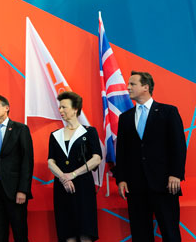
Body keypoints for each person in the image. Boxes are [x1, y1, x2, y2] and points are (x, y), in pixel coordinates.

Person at [116, 71, 187, 242]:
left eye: (132, 84)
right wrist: (122, 178)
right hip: (136, 186)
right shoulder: (125, 118)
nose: (128, 87)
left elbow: (178, 145)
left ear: (145, 87)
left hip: (164, 184)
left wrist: (175, 174)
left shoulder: (168, 112)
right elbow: (122, 151)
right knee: (140, 235)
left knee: (170, 232)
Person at [47, 91, 102, 242]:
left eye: (64, 107)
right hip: (62, 187)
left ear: (75, 109)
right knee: (67, 233)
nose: (61, 110)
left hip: (83, 185)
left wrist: (73, 174)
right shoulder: (55, 135)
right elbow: (51, 162)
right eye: (60, 107)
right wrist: (64, 178)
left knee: (85, 231)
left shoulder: (89, 131)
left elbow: (96, 158)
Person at [0, 95, 33, 242]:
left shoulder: (20, 129)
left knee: (20, 234)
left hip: (16, 192)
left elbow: (27, 162)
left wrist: (23, 189)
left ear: (6, 108)